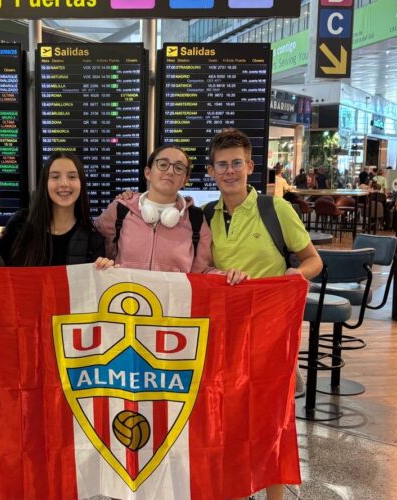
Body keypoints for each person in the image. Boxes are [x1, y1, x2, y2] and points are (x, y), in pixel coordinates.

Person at [204, 129, 323, 500]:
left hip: (270, 334)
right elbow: (201, 268)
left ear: (250, 166)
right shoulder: (206, 216)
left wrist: (294, 276)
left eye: (236, 163)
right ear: (211, 171)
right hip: (224, 332)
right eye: (222, 165)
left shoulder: (276, 209)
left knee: (271, 419)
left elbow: (313, 260)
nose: (229, 171)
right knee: (228, 416)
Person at [96, 144, 246, 283]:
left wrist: (228, 276)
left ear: (185, 180)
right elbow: (95, 253)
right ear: (148, 172)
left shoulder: (196, 220)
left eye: (179, 168)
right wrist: (102, 264)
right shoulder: (119, 210)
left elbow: (201, 272)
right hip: (126, 300)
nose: (170, 171)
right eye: (163, 164)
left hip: (173, 303)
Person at [0, 152, 111, 267]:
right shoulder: (20, 224)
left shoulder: (93, 241)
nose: (64, 184)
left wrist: (105, 270)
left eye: (72, 177)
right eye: (55, 177)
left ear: (81, 183)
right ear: (45, 183)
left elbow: (93, 279)